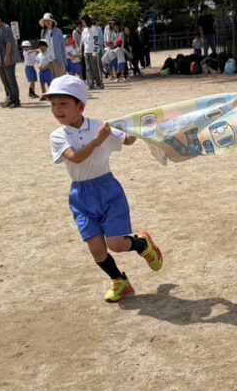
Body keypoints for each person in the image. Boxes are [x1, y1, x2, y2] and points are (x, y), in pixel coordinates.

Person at [44, 75, 164, 303]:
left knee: (116, 244)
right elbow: (76, 157)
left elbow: (127, 140)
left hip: (107, 190)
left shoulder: (100, 126)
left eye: (63, 103)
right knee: (97, 250)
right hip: (81, 196)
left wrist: (138, 127)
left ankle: (142, 244)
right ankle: (119, 281)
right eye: (53, 104)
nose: (57, 110)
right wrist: (99, 140)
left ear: (80, 106)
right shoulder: (58, 135)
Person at [0, 9, 21, 108]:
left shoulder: (6, 27)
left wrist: (7, 56)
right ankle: (10, 98)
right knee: (5, 81)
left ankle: (16, 100)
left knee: (11, 80)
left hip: (6, 59)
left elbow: (9, 42)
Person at [39, 13, 67, 81]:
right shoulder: (43, 32)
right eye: (45, 21)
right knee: (52, 81)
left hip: (58, 59)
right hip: (48, 60)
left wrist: (64, 60)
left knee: (61, 80)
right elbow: (42, 46)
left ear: (52, 21)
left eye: (49, 20)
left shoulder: (58, 31)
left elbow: (63, 46)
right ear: (44, 22)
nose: (47, 22)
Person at [81, 16, 105, 91]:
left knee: (95, 68)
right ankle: (90, 84)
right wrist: (84, 52)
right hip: (87, 51)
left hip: (93, 51)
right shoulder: (84, 30)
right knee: (88, 68)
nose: (82, 23)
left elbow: (96, 40)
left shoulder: (93, 28)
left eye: (83, 21)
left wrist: (95, 52)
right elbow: (84, 41)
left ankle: (99, 83)